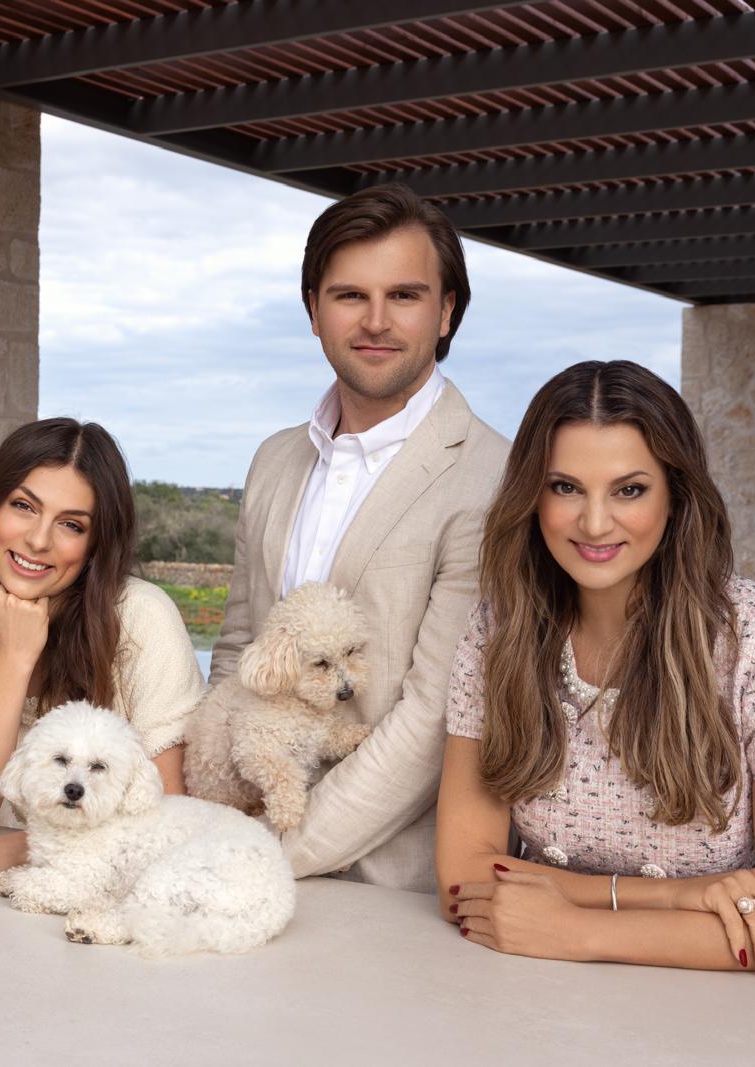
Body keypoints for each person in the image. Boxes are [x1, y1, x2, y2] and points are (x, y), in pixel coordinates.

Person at [436, 360, 755, 973]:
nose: (595, 523)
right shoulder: (497, 631)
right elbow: (467, 882)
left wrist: (576, 930)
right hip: (526, 995)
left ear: (676, 496)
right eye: (565, 487)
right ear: (531, 495)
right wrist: (677, 896)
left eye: (629, 489)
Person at [210, 183, 510, 892]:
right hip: (243, 842)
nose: (376, 321)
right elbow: (237, 651)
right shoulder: (273, 460)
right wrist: (217, 813)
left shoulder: (493, 476)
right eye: (349, 295)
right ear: (314, 310)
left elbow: (435, 716)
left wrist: (272, 853)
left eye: (404, 295)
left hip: (387, 883)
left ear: (447, 311)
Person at [0, 418, 205, 892]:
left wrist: (21, 847)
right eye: (23, 506)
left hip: (134, 895)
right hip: (43, 901)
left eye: (71, 525)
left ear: (96, 545)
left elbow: (171, 815)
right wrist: (14, 659)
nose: (38, 540)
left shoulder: (142, 619)